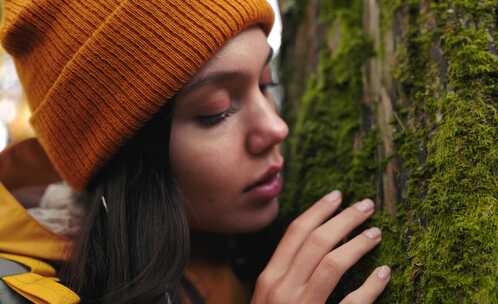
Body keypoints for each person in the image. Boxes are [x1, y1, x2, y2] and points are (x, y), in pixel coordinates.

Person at [0, 0, 391, 303]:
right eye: (216, 111)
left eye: (266, 84)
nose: (276, 128)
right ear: (126, 159)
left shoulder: (236, 247)